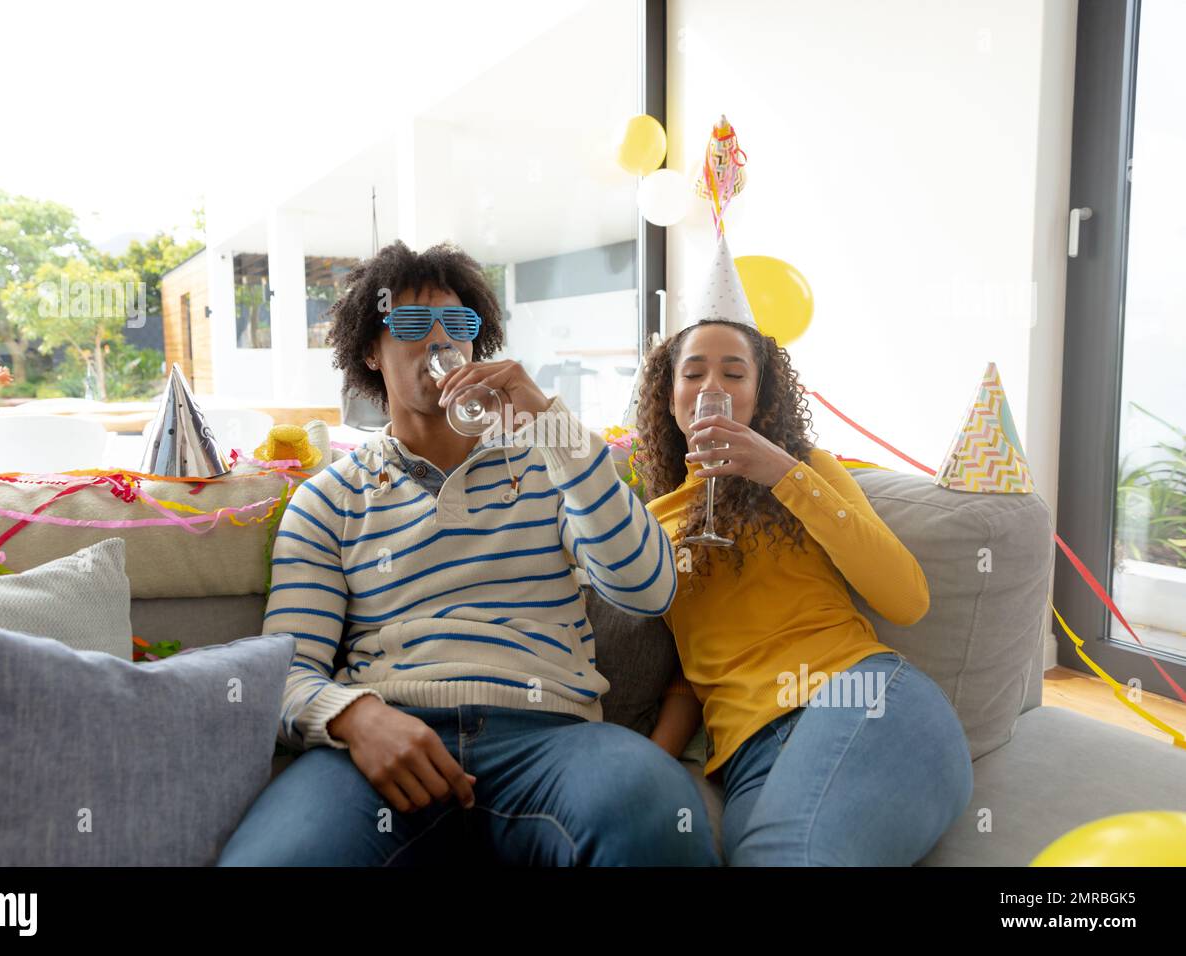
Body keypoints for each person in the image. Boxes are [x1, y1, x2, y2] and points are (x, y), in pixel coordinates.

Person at [218, 240, 718, 867]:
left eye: (456, 325)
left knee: (657, 825)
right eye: (410, 324)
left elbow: (650, 589)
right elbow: (285, 671)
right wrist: (356, 718)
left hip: (549, 739)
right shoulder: (327, 499)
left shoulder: (551, 464)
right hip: (387, 744)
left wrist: (552, 426)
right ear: (371, 352)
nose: (437, 341)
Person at [637, 317, 974, 866]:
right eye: (693, 372)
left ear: (759, 394)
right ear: (670, 397)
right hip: (749, 756)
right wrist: (651, 760)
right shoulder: (652, 524)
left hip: (859, 695)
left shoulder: (808, 472)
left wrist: (783, 473)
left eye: (735, 373)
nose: (713, 388)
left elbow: (907, 600)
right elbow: (690, 662)